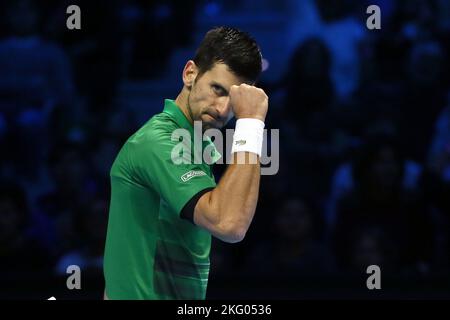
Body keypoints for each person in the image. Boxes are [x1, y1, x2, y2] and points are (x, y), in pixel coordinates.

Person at [103, 27, 268, 299]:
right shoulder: (158, 141)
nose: (223, 109)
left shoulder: (197, 145)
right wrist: (250, 125)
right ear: (190, 73)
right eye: (217, 89)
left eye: (233, 99)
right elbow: (230, 224)